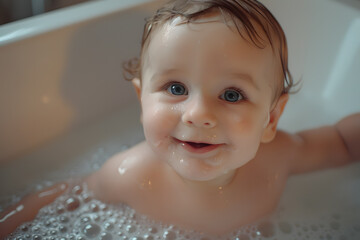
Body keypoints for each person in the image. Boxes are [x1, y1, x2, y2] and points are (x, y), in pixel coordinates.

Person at [1, 0, 359, 237]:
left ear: (271, 119)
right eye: (175, 88)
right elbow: (65, 194)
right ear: (142, 99)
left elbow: (343, 142)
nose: (199, 113)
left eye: (231, 95)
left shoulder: (280, 156)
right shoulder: (131, 175)